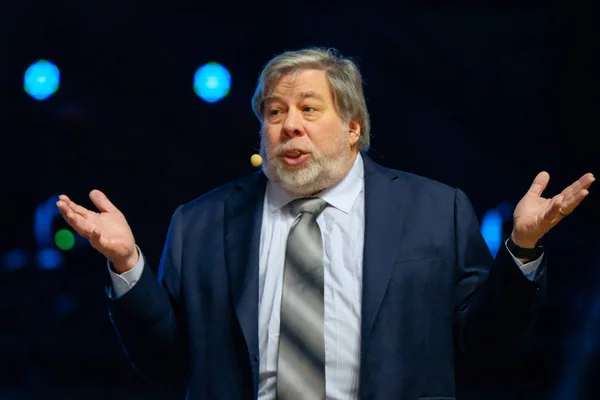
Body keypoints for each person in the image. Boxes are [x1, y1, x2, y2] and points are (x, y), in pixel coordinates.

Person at [57, 48, 594, 400]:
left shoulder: (437, 211)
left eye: (309, 109)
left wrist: (521, 248)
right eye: (273, 112)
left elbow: (487, 347)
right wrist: (128, 266)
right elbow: (167, 362)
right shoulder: (199, 223)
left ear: (353, 127)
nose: (289, 124)